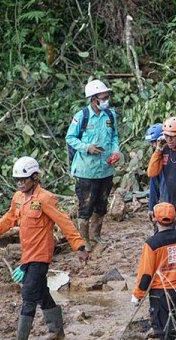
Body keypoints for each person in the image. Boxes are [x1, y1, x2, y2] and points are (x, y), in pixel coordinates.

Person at [0, 157, 88, 340]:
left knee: (28, 294)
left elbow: (64, 222)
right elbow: (9, 218)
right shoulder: (18, 198)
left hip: (41, 256)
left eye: (24, 179)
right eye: (18, 180)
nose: (20, 184)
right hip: (26, 256)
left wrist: (79, 246)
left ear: (35, 177)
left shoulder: (45, 199)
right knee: (40, 292)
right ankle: (57, 331)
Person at [66, 79, 121, 250]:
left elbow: (114, 137)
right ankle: (84, 239)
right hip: (86, 171)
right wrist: (87, 147)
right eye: (103, 97)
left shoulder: (110, 116)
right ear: (93, 99)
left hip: (105, 169)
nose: (106, 100)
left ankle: (96, 235)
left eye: (107, 97)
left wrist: (116, 151)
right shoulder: (81, 116)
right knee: (86, 206)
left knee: (101, 205)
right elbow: (70, 138)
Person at [131, 202, 176, 340]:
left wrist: (137, 296)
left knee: (164, 333)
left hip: (160, 295)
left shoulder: (151, 243)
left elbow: (146, 275)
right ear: (175, 219)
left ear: (154, 219)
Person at [145, 123, 166, 229]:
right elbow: (154, 185)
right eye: (152, 143)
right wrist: (151, 207)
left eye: (155, 142)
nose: (154, 145)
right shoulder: (156, 160)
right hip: (163, 201)